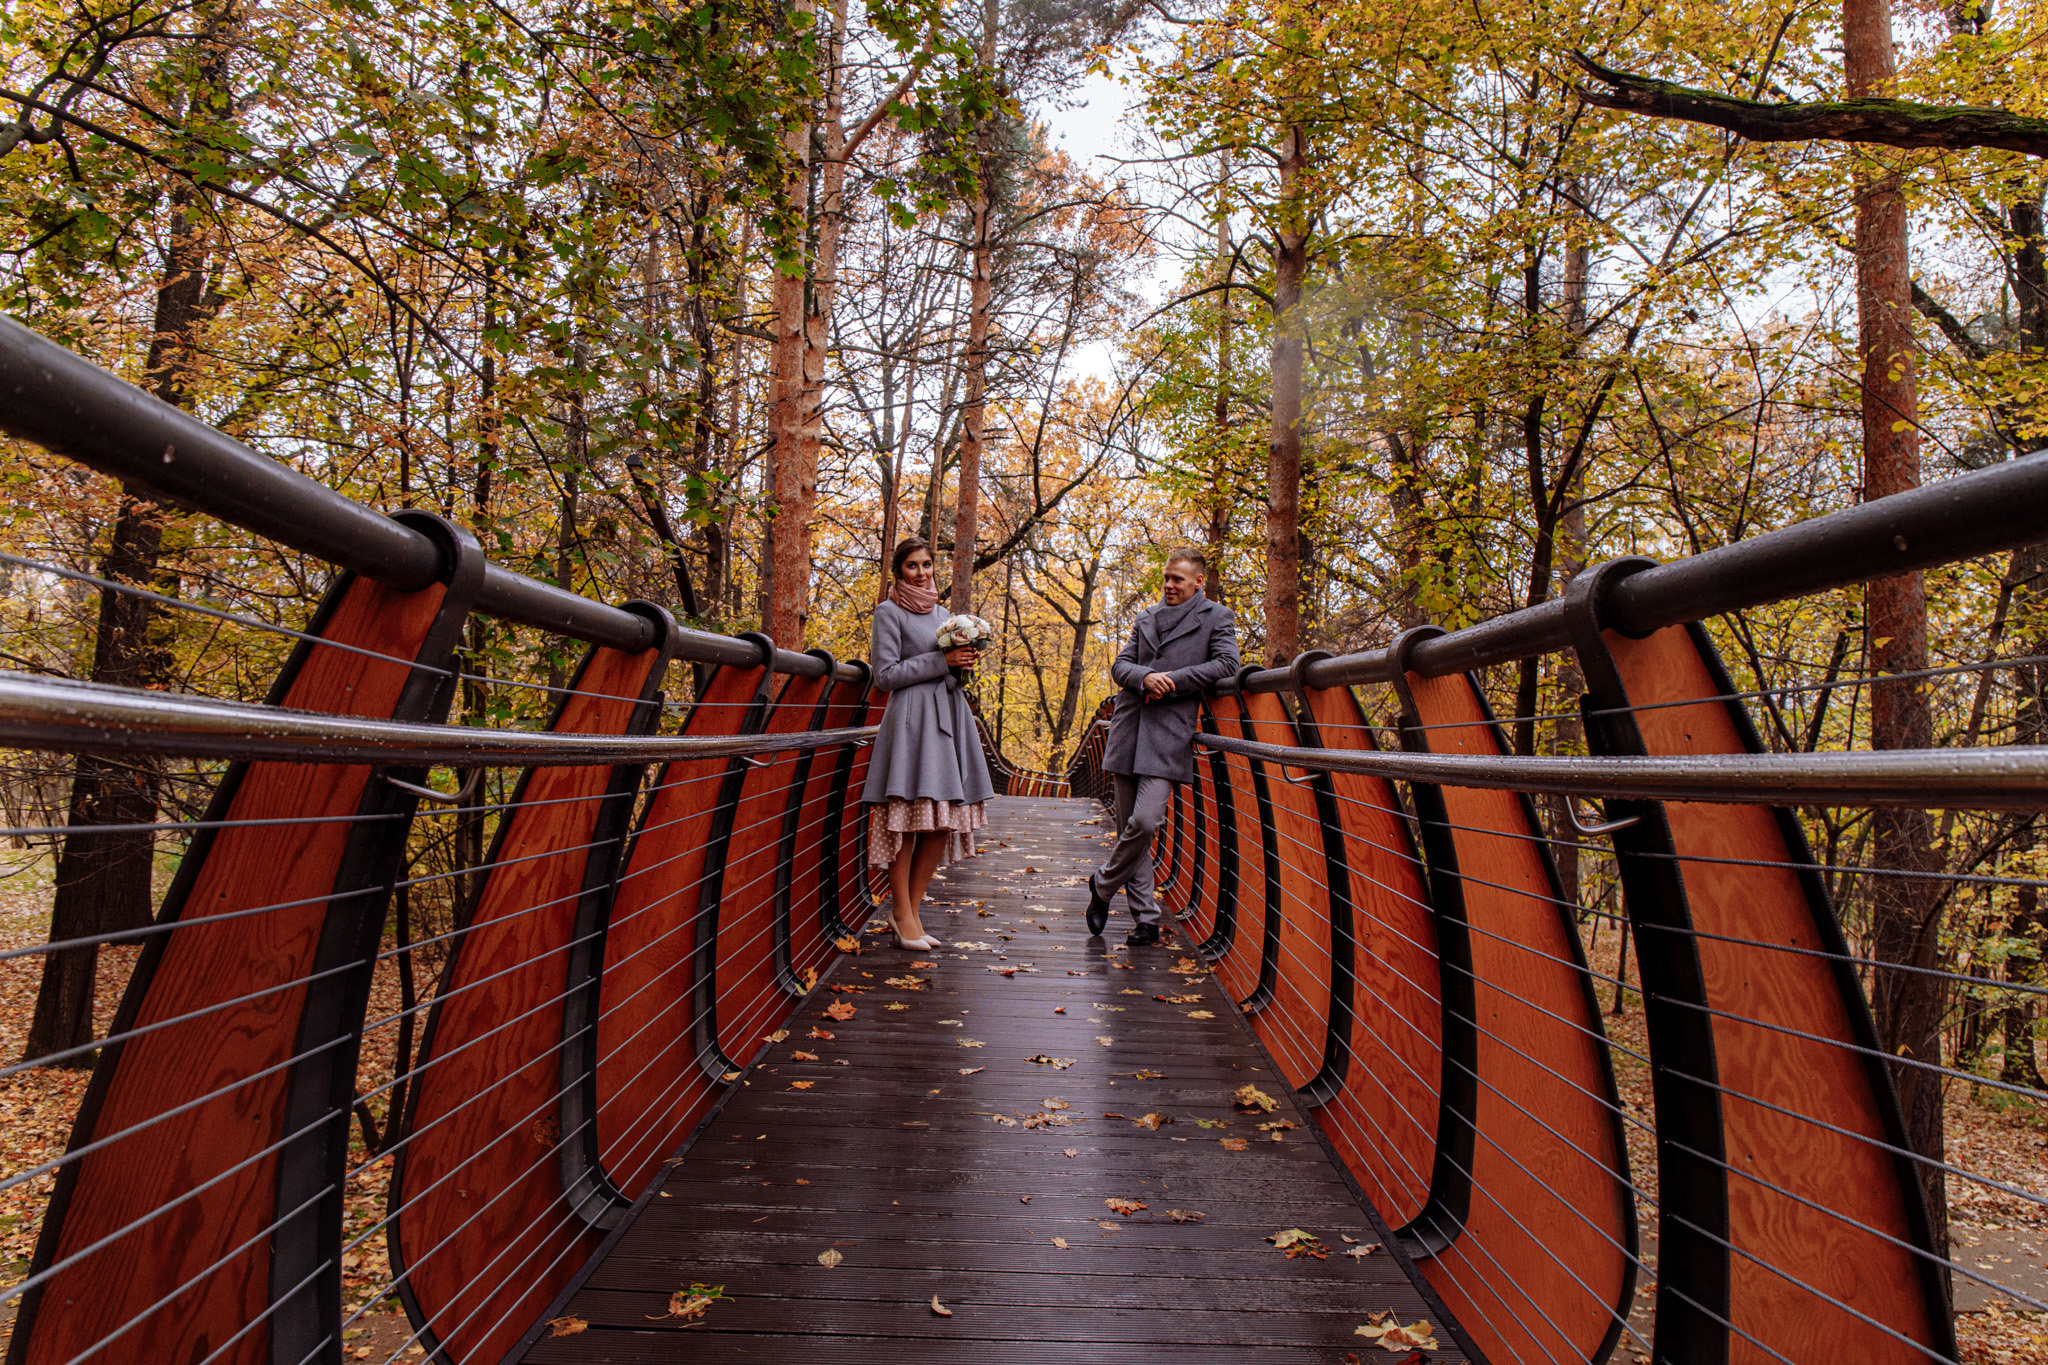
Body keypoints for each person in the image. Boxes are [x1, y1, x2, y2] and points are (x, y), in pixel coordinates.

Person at [1087, 547, 1239, 947]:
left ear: (1197, 583)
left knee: (1146, 822)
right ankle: (1146, 919)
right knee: (1127, 828)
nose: (1169, 585)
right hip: (1129, 726)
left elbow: (1227, 665)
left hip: (1169, 731)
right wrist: (1144, 676)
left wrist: (1172, 680)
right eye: (1167, 578)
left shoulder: (1217, 618)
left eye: (1178, 580)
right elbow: (1121, 666)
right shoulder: (1146, 616)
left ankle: (1101, 886)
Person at [863, 537, 996, 949]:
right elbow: (885, 675)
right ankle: (901, 913)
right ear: (898, 572)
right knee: (908, 819)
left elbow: (951, 672)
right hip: (911, 724)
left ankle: (913, 912)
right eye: (912, 566)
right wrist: (942, 662)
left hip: (948, 720)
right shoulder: (888, 613)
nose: (921, 573)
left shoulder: (944, 615)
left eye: (926, 565)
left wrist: (963, 667)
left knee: (941, 821)